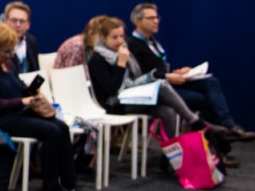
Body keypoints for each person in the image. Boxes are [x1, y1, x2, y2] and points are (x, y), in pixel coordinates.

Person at [0, 22, 82, 191]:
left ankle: (69, 186)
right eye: (6, 51)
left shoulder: (8, 64)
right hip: (0, 120)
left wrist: (29, 91)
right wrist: (21, 101)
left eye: (12, 50)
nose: (11, 54)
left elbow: (16, 88)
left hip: (18, 114)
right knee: (52, 132)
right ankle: (49, 190)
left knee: (62, 128)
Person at [127, 3, 255, 141]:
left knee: (211, 82)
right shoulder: (132, 45)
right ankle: (220, 139)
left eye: (157, 17)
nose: (156, 21)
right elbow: (141, 75)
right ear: (137, 21)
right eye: (151, 18)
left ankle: (229, 127)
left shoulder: (153, 42)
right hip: (156, 89)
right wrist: (167, 76)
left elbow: (159, 66)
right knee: (206, 100)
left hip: (168, 81)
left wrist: (179, 72)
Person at [87, 17, 226, 145]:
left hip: (130, 96)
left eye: (122, 36)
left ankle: (171, 156)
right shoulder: (97, 59)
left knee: (168, 111)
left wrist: (150, 76)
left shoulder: (123, 53)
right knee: (162, 86)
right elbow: (112, 90)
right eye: (114, 37)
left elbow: (134, 80)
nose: (119, 41)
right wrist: (121, 64)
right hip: (113, 104)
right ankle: (196, 122)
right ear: (103, 39)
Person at [2, 0, 39, 73]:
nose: (18, 25)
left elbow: (36, 69)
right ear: (6, 22)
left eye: (22, 21)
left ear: (28, 25)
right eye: (14, 20)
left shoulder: (32, 41)